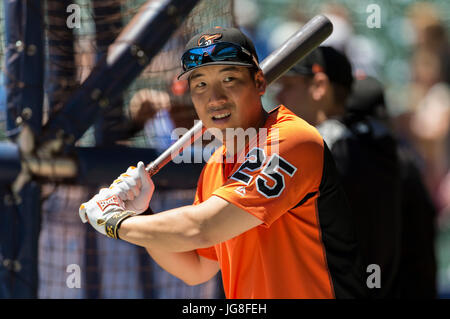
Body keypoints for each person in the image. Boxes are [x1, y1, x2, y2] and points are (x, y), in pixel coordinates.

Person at [79, 27, 366, 299]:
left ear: (259, 83)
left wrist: (116, 222)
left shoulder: (291, 139)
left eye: (229, 80)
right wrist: (141, 214)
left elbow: (202, 228)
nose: (215, 98)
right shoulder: (216, 165)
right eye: (201, 84)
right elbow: (195, 268)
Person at [276, 46, 436, 298]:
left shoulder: (325, 144)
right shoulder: (379, 145)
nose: (279, 97)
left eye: (288, 86)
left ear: (319, 87)